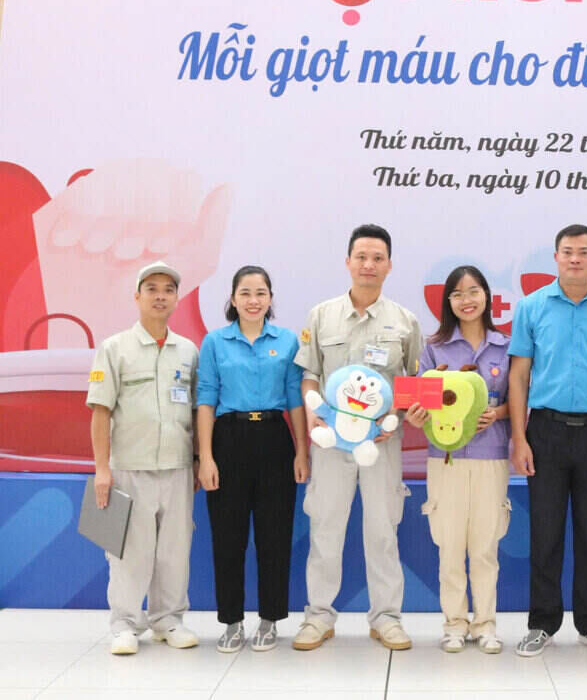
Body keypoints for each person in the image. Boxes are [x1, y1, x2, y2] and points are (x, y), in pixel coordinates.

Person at [293, 224, 423, 652]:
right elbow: (309, 377)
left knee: (383, 529)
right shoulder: (321, 316)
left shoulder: (405, 322)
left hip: (380, 447)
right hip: (330, 444)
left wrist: (394, 415)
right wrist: (316, 418)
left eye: (377, 258)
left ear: (389, 265)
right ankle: (318, 617)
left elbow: (412, 384)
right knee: (325, 527)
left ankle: (386, 617)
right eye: (361, 257)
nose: (369, 265)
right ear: (348, 261)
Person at [508, 224, 587, 657]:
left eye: (584, 251)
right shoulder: (532, 307)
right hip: (545, 431)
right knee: (544, 533)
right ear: (556, 257)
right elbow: (520, 374)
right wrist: (519, 437)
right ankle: (542, 622)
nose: (575, 258)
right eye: (567, 251)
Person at [87, 261, 201, 655]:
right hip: (128, 469)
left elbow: (198, 412)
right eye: (151, 289)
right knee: (129, 551)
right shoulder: (114, 348)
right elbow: (100, 412)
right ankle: (123, 624)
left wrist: (200, 461)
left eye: (168, 289)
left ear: (176, 298)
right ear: (136, 296)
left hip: (178, 467)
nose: (160, 296)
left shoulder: (188, 351)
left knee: (174, 550)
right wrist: (102, 469)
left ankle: (168, 619)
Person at [195, 265, 309, 653]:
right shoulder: (214, 342)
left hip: (275, 439)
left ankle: (270, 619)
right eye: (245, 293)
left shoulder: (288, 340)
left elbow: (295, 398)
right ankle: (231, 622)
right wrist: (206, 457)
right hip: (229, 440)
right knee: (228, 538)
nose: (253, 300)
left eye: (261, 293)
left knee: (274, 536)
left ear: (271, 299)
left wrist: (302, 451)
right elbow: (206, 399)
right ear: (232, 299)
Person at [404, 265, 512, 654]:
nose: (467, 300)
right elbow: (421, 403)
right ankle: (453, 623)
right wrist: (416, 414)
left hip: (491, 457)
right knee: (449, 545)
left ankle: (485, 624)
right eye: (457, 294)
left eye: (473, 291)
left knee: (485, 545)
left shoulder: (506, 346)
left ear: (487, 296)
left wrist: (497, 414)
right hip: (445, 459)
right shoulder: (433, 348)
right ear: (447, 302)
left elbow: (520, 402)